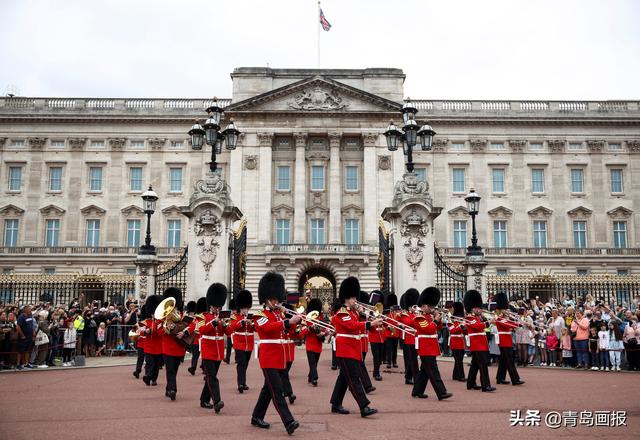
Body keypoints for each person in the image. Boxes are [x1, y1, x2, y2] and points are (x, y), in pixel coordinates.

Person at [250, 272, 300, 435]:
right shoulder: (259, 315)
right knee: (277, 390)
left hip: (280, 357)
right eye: (274, 299)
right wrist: (286, 321)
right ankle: (288, 421)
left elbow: (290, 333)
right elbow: (267, 329)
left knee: (268, 389)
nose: (277, 302)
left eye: (277, 299)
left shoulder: (279, 314)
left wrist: (294, 319)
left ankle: (256, 416)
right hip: (268, 357)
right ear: (266, 299)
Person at [330, 277, 382, 418]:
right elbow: (352, 326)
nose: (355, 300)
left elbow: (361, 326)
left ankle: (335, 403)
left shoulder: (354, 312)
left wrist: (369, 319)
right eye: (353, 298)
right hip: (345, 349)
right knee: (353, 379)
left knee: (344, 379)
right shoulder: (342, 312)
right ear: (347, 298)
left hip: (353, 349)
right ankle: (364, 406)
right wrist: (369, 324)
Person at [186, 284, 227, 413]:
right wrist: (213, 323)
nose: (217, 308)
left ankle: (204, 399)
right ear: (210, 305)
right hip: (208, 349)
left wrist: (224, 324)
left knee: (211, 376)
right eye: (215, 306)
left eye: (219, 306)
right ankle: (217, 401)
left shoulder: (222, 316)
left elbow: (230, 332)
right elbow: (201, 330)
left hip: (219, 350)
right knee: (212, 377)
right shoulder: (202, 317)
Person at [411, 287, 452, 400]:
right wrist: (435, 320)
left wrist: (438, 318)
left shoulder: (429, 316)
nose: (431, 308)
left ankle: (417, 391)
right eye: (430, 306)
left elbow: (437, 328)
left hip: (431, 347)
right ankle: (441, 392)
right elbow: (428, 329)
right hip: (425, 348)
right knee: (433, 371)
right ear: (423, 306)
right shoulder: (419, 318)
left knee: (424, 371)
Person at [463, 290, 495, 392]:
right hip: (477, 344)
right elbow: (477, 327)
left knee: (475, 365)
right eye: (477, 307)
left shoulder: (479, 317)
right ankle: (486, 386)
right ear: (472, 308)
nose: (479, 309)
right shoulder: (469, 318)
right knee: (483, 364)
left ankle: (470, 383)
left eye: (479, 307)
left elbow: (482, 326)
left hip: (481, 344)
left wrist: (485, 319)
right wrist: (488, 322)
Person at [160, 287, 188, 401]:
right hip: (168, 346)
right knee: (170, 369)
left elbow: (188, 327)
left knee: (174, 369)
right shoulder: (163, 315)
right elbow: (159, 331)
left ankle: (168, 387)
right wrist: (168, 328)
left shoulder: (182, 315)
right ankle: (173, 390)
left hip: (179, 346)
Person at [493, 293, 524, 386]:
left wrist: (517, 319)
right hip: (504, 341)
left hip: (507, 340)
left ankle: (500, 378)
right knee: (509, 360)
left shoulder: (505, 317)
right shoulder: (499, 318)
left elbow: (510, 324)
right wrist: (518, 324)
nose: (506, 310)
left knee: (503, 360)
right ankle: (515, 379)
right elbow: (508, 325)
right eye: (505, 309)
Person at [227, 289, 254, 392]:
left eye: (246, 308)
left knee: (245, 364)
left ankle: (243, 382)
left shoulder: (252, 317)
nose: (245, 310)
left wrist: (251, 323)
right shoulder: (235, 317)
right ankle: (240, 384)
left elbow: (256, 328)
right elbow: (232, 327)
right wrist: (242, 322)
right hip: (239, 343)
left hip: (249, 343)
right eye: (243, 308)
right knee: (241, 363)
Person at [298, 298, 327, 386]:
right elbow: (301, 332)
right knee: (312, 363)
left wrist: (323, 333)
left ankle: (310, 376)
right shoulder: (306, 318)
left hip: (318, 343)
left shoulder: (320, 317)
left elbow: (325, 329)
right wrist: (310, 328)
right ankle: (314, 378)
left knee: (315, 362)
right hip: (310, 344)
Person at [141, 295, 163, 387]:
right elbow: (140, 332)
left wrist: (156, 328)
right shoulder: (146, 322)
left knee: (156, 364)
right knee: (150, 363)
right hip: (148, 346)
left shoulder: (160, 322)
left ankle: (154, 379)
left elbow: (160, 334)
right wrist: (145, 331)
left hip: (158, 346)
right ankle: (148, 376)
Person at [399, 289, 420, 385]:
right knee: (412, 359)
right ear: (409, 306)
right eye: (413, 306)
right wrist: (417, 317)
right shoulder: (404, 314)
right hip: (409, 338)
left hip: (416, 338)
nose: (414, 307)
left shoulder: (416, 314)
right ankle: (414, 378)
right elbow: (408, 323)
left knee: (413, 359)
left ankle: (408, 377)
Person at [367, 291, 385, 381]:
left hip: (381, 337)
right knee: (376, 356)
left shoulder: (381, 313)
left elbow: (384, 325)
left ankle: (377, 371)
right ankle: (376, 373)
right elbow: (369, 327)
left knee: (380, 357)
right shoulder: (370, 313)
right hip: (374, 337)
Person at [187, 297, 207, 376]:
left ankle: (204, 368)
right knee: (195, 355)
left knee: (204, 354)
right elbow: (192, 326)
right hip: (196, 340)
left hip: (204, 339)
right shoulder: (196, 318)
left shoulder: (205, 318)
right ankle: (193, 367)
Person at [448, 301, 467, 381]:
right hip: (455, 343)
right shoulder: (451, 321)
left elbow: (465, 333)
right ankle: (461, 376)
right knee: (459, 360)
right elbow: (452, 330)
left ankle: (455, 375)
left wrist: (466, 327)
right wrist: (460, 326)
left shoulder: (460, 321)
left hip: (461, 342)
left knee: (459, 360)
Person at [16, 305, 36, 369]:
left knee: (27, 350)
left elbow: (31, 325)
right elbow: (18, 327)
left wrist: (33, 333)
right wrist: (22, 335)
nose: (31, 310)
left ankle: (26, 363)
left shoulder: (30, 316)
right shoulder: (21, 317)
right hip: (23, 337)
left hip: (30, 336)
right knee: (20, 351)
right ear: (26, 310)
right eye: (30, 309)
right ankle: (18, 364)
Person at [384, 293, 400, 369]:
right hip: (388, 333)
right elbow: (384, 323)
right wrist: (388, 327)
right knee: (389, 349)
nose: (392, 307)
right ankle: (389, 362)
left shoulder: (397, 313)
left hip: (396, 333)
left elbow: (399, 322)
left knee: (394, 349)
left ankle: (394, 362)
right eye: (391, 306)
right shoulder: (386, 314)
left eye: (393, 306)